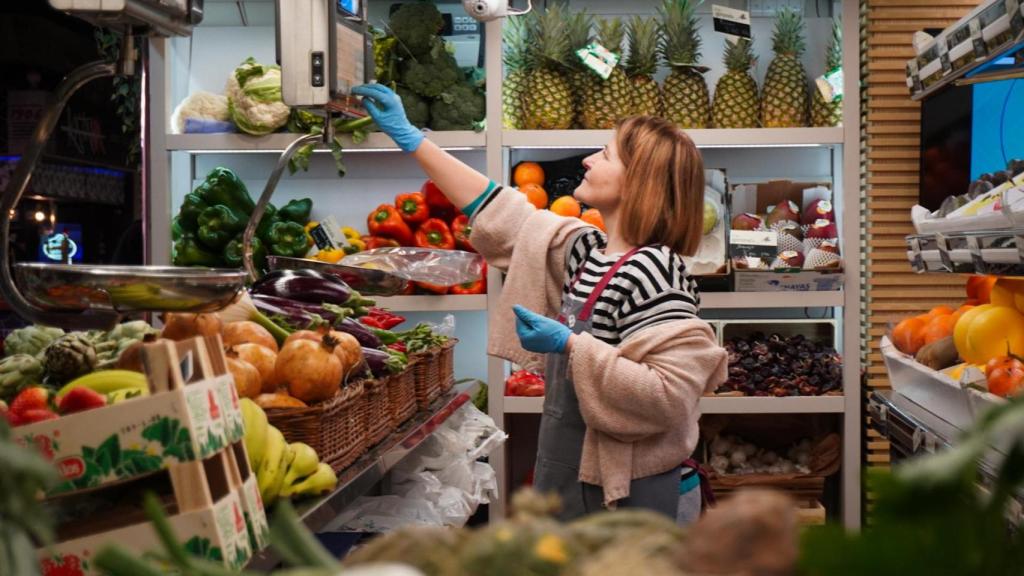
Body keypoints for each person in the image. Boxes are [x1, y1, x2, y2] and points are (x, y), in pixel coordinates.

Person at [352, 84, 727, 521]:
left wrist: (571, 346)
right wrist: (413, 140)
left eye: (604, 155)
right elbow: (497, 208)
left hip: (626, 497)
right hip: (575, 477)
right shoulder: (589, 252)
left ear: (637, 181)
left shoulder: (655, 271)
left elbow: (669, 396)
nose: (587, 160)